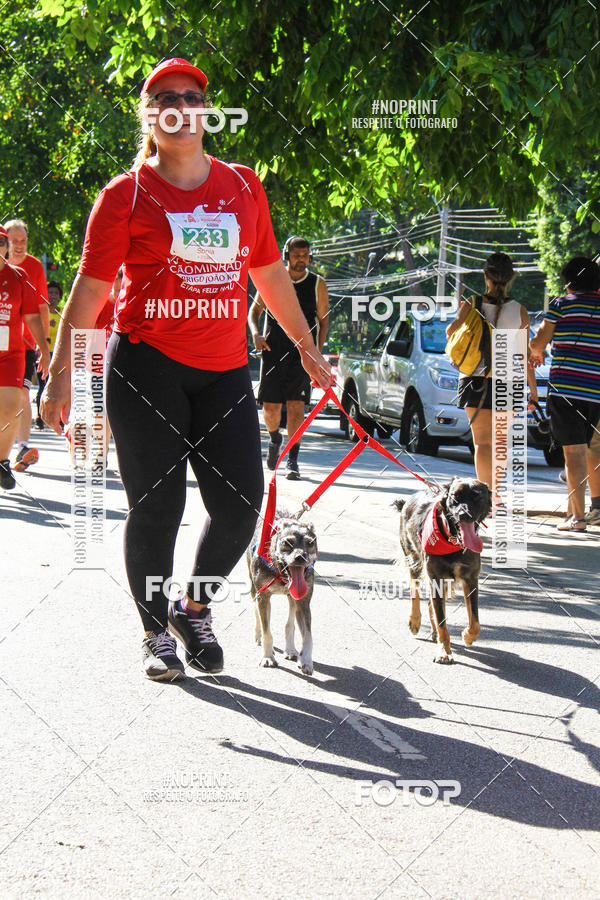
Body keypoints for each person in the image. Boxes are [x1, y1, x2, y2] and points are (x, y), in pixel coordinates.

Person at [42, 58, 332, 682]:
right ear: (148, 116)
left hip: (226, 370)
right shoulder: (125, 196)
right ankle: (155, 634)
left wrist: (307, 347)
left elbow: (269, 274)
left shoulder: (243, 187)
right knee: (158, 506)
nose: (179, 105)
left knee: (239, 504)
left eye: (192, 95)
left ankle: (193, 607)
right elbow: (89, 294)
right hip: (147, 367)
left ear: (206, 110)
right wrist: (62, 373)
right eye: (164, 97)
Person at [446, 252, 538, 494]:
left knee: (482, 443)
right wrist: (534, 393)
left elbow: (450, 333)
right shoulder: (521, 311)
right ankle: (496, 495)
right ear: (510, 279)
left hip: (473, 380)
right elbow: (525, 356)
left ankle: (484, 497)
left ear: (486, 277)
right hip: (509, 381)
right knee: (499, 444)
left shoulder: (472, 304)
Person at [248, 236, 329, 479]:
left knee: (296, 407)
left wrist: (316, 352)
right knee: (271, 408)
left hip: (301, 356)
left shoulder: (317, 284)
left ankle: (292, 459)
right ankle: (275, 439)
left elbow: (324, 322)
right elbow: (255, 311)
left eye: (305, 255)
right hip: (273, 352)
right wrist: (255, 333)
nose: (301, 260)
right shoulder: (274, 279)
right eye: (296, 255)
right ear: (287, 256)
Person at [530, 256, 600, 531]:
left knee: (573, 453)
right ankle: (593, 510)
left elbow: (538, 345)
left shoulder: (560, 306)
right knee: (592, 449)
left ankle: (578, 518)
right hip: (597, 392)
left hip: (567, 390)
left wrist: (537, 348)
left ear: (569, 281)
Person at [0, 225, 50, 489]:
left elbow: (35, 312)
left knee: (14, 401)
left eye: (2, 242)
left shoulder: (23, 273)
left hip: (16, 349)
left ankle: (11, 454)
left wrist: (44, 346)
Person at [35, 280, 63, 429]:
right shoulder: (40, 313)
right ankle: (39, 417)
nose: (52, 296)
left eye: (55, 293)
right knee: (42, 384)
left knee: (57, 386)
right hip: (42, 353)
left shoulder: (63, 313)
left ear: (59, 296)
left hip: (58, 355)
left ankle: (58, 418)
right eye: (50, 292)